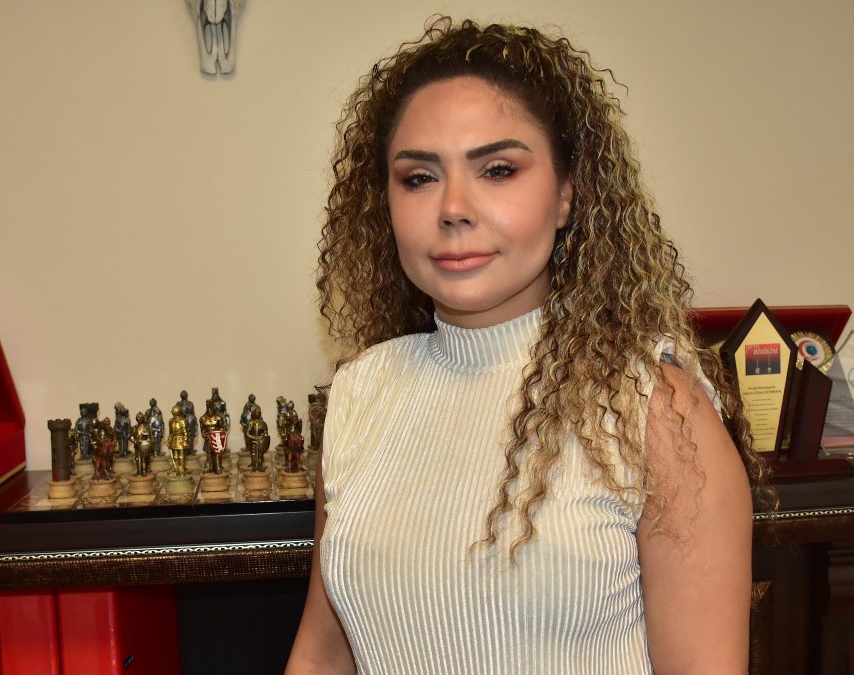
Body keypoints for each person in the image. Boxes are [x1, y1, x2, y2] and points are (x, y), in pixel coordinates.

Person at [286, 17, 773, 675]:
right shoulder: (359, 395)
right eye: (419, 177)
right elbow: (323, 653)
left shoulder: (655, 409)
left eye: (497, 169)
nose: (453, 207)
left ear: (567, 194)